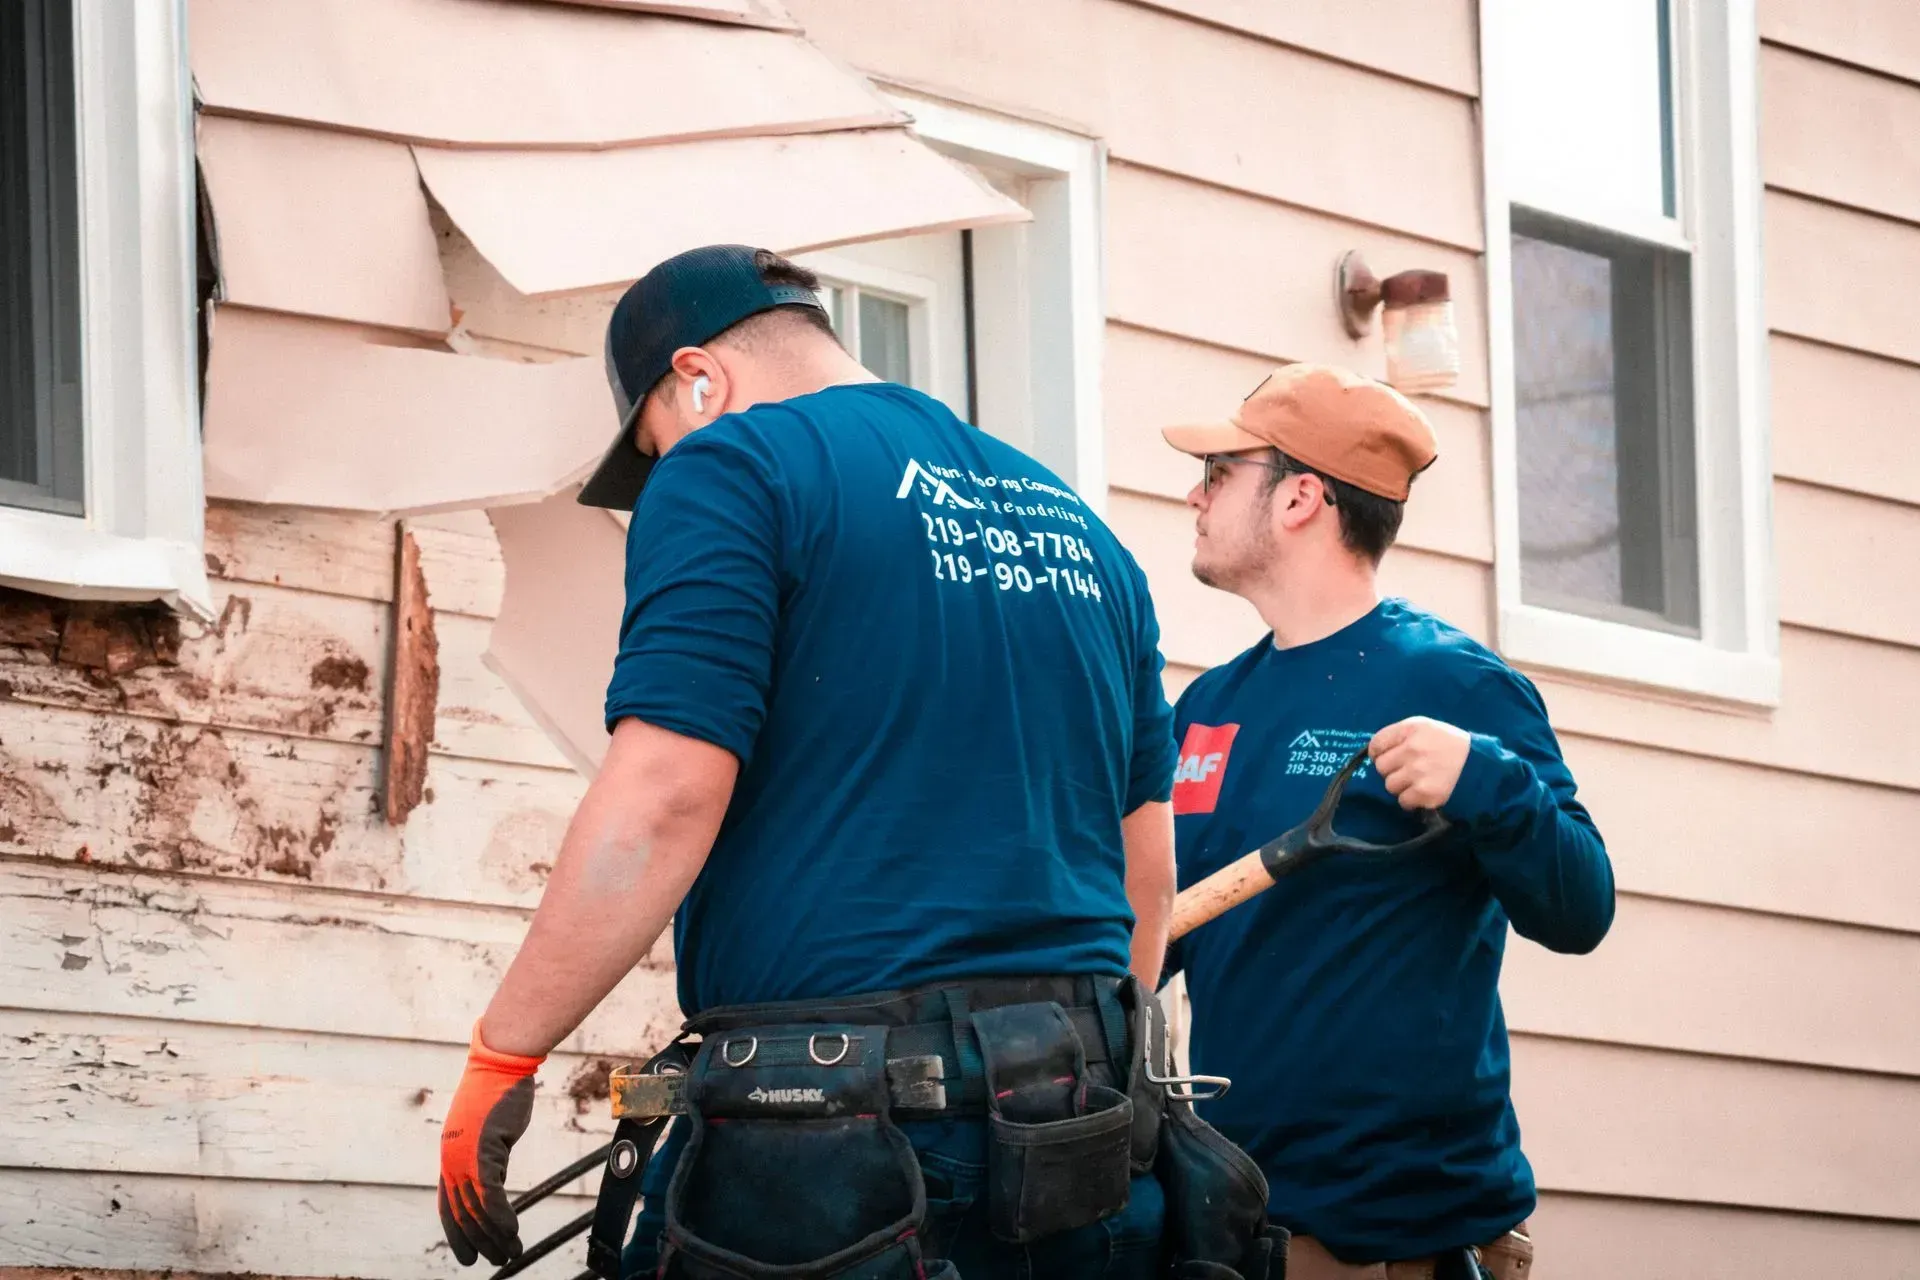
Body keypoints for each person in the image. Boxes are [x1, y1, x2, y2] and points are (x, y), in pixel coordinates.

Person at [435, 244, 1188, 1280]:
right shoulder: (1083, 530)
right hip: (1082, 1134)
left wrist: (504, 1053)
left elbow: (662, 798)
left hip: (838, 1151)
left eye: (653, 444)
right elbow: (1146, 875)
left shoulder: (733, 463)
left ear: (700, 377)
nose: (661, 472)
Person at [1157, 363, 1615, 1280]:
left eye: (1219, 472)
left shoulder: (1454, 683)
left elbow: (1581, 907)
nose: (1194, 493)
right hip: (1232, 1225)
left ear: (1300, 497)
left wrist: (1488, 779)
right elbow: (1147, 928)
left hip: (1398, 1241)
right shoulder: (1209, 706)